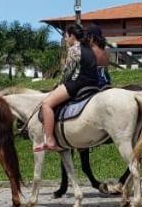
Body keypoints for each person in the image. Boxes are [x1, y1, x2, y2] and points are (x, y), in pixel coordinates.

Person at [34, 24, 97, 153]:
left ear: (72, 36)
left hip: (78, 82)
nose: (65, 39)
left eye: (66, 36)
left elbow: (67, 72)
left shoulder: (74, 49)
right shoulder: (88, 48)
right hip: (93, 83)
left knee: (46, 104)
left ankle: (50, 140)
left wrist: (58, 85)